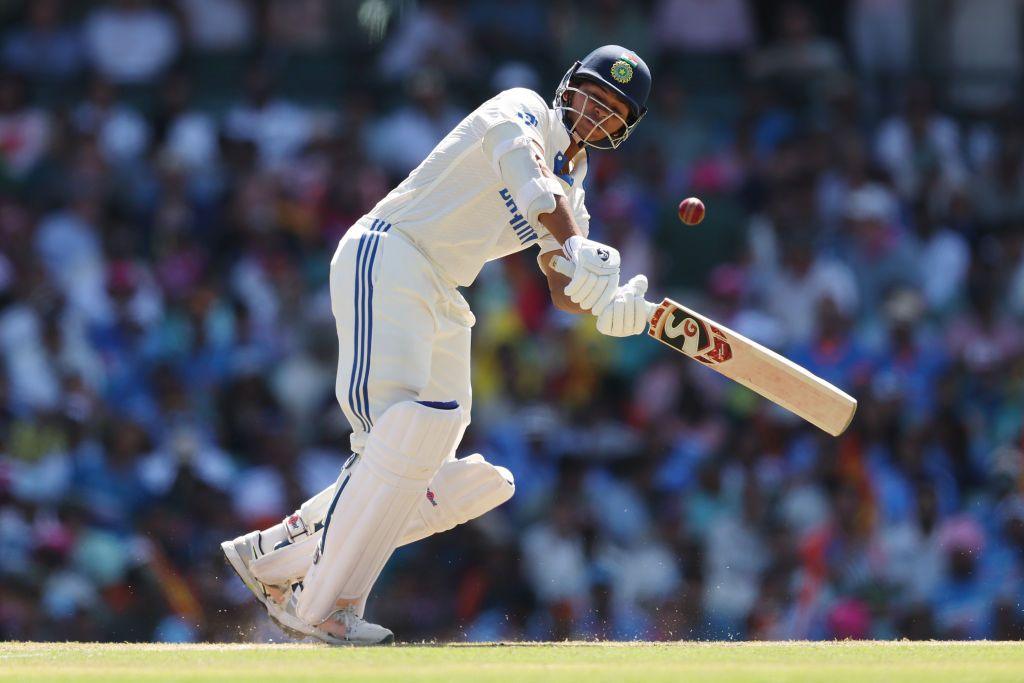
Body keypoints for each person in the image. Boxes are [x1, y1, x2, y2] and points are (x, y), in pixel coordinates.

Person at [221, 45, 653, 645]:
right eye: (592, 95)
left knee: (428, 445)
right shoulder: (522, 109)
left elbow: (561, 285)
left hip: (444, 289)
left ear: (623, 130)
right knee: (394, 431)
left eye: (613, 110)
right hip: (391, 251)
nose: (596, 113)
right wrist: (580, 248)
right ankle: (322, 605)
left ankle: (272, 556)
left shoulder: (575, 194)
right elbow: (530, 180)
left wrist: (608, 307)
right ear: (568, 86)